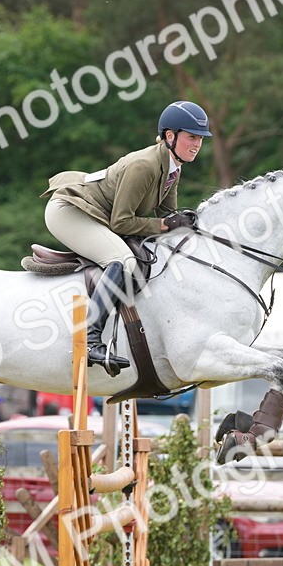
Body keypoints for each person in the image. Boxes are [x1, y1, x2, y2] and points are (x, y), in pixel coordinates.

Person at [42, 101, 211, 375]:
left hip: (95, 213)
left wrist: (186, 225)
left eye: (200, 139)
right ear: (170, 136)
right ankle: (90, 340)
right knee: (121, 260)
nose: (197, 144)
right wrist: (166, 224)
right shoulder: (144, 166)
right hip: (70, 211)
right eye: (192, 137)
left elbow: (168, 216)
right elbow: (121, 222)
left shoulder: (172, 168)